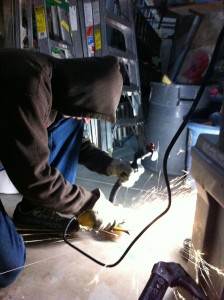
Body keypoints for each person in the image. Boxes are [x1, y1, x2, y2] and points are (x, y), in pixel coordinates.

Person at [0, 48, 134, 288]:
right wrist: (88, 203)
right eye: (89, 114)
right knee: (7, 264)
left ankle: (35, 211)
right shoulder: (30, 89)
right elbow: (35, 178)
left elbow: (72, 141)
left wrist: (109, 164)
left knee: (68, 123)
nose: (87, 121)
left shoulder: (56, 81)